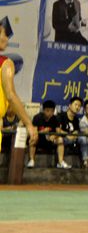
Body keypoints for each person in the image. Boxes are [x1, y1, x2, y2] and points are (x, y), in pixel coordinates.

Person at [0, 17, 37, 154]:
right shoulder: (5, 63)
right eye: (4, 34)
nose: (7, 39)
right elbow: (11, 95)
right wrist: (29, 123)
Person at [27, 100, 63, 168]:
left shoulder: (56, 118)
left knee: (60, 139)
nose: (50, 113)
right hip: (39, 139)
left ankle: (60, 162)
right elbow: (34, 132)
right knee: (33, 139)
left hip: (50, 140)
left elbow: (59, 132)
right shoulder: (37, 117)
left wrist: (55, 136)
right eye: (47, 111)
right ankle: (31, 161)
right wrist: (43, 131)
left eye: (52, 111)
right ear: (43, 110)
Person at [56, 96, 83, 166]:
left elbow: (76, 131)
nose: (77, 107)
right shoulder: (61, 115)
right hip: (63, 138)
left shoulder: (76, 119)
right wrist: (68, 135)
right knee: (60, 139)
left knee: (85, 139)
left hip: (73, 139)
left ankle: (86, 162)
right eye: (76, 104)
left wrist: (75, 134)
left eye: (79, 106)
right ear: (70, 105)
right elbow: (58, 130)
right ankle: (60, 163)